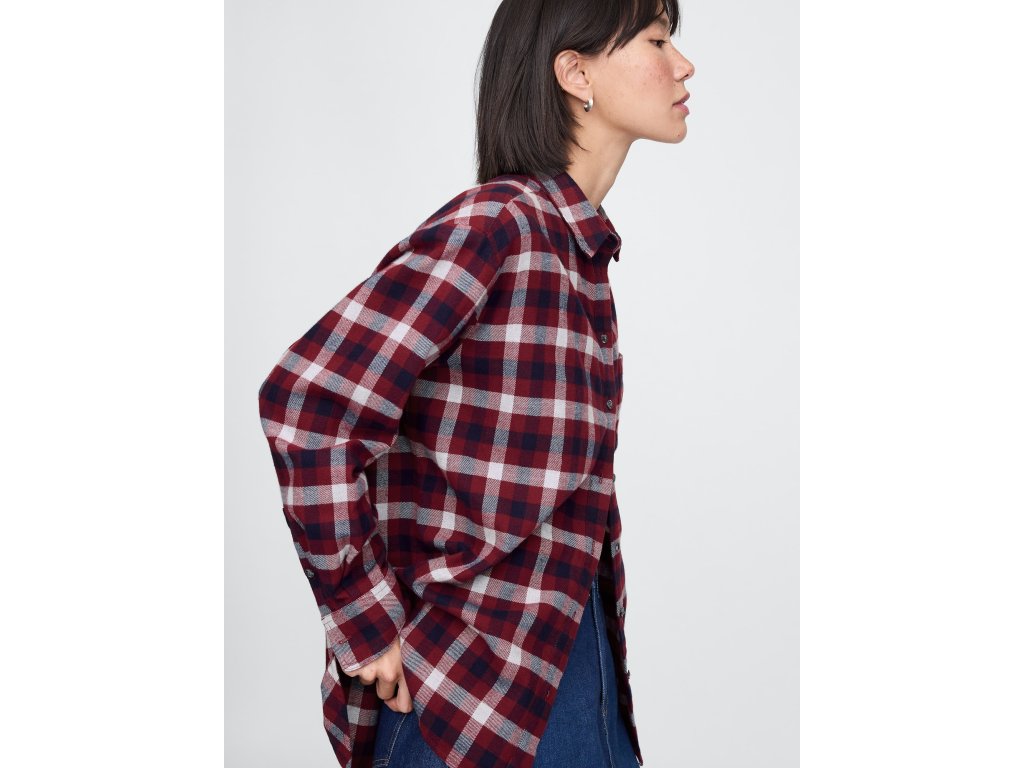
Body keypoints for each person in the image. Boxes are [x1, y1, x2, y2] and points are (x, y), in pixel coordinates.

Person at [257, 1, 694, 766]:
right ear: (575, 73)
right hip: (469, 701)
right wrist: (364, 622)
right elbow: (308, 401)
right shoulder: (499, 226)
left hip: (570, 670)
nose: (683, 65)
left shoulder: (576, 252)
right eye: (658, 40)